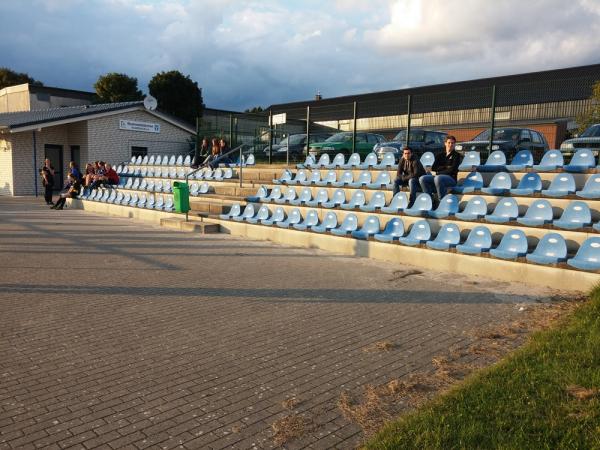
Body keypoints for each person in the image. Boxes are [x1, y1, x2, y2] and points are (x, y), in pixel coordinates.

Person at [419, 135, 460, 206]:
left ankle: (441, 202)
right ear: (445, 143)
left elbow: (452, 170)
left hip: (451, 178)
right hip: (438, 176)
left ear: (454, 144)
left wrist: (438, 172)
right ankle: (430, 199)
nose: (451, 145)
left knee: (438, 178)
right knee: (422, 178)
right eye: (449, 143)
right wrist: (445, 167)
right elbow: (434, 167)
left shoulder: (457, 155)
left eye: (452, 143)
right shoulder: (440, 155)